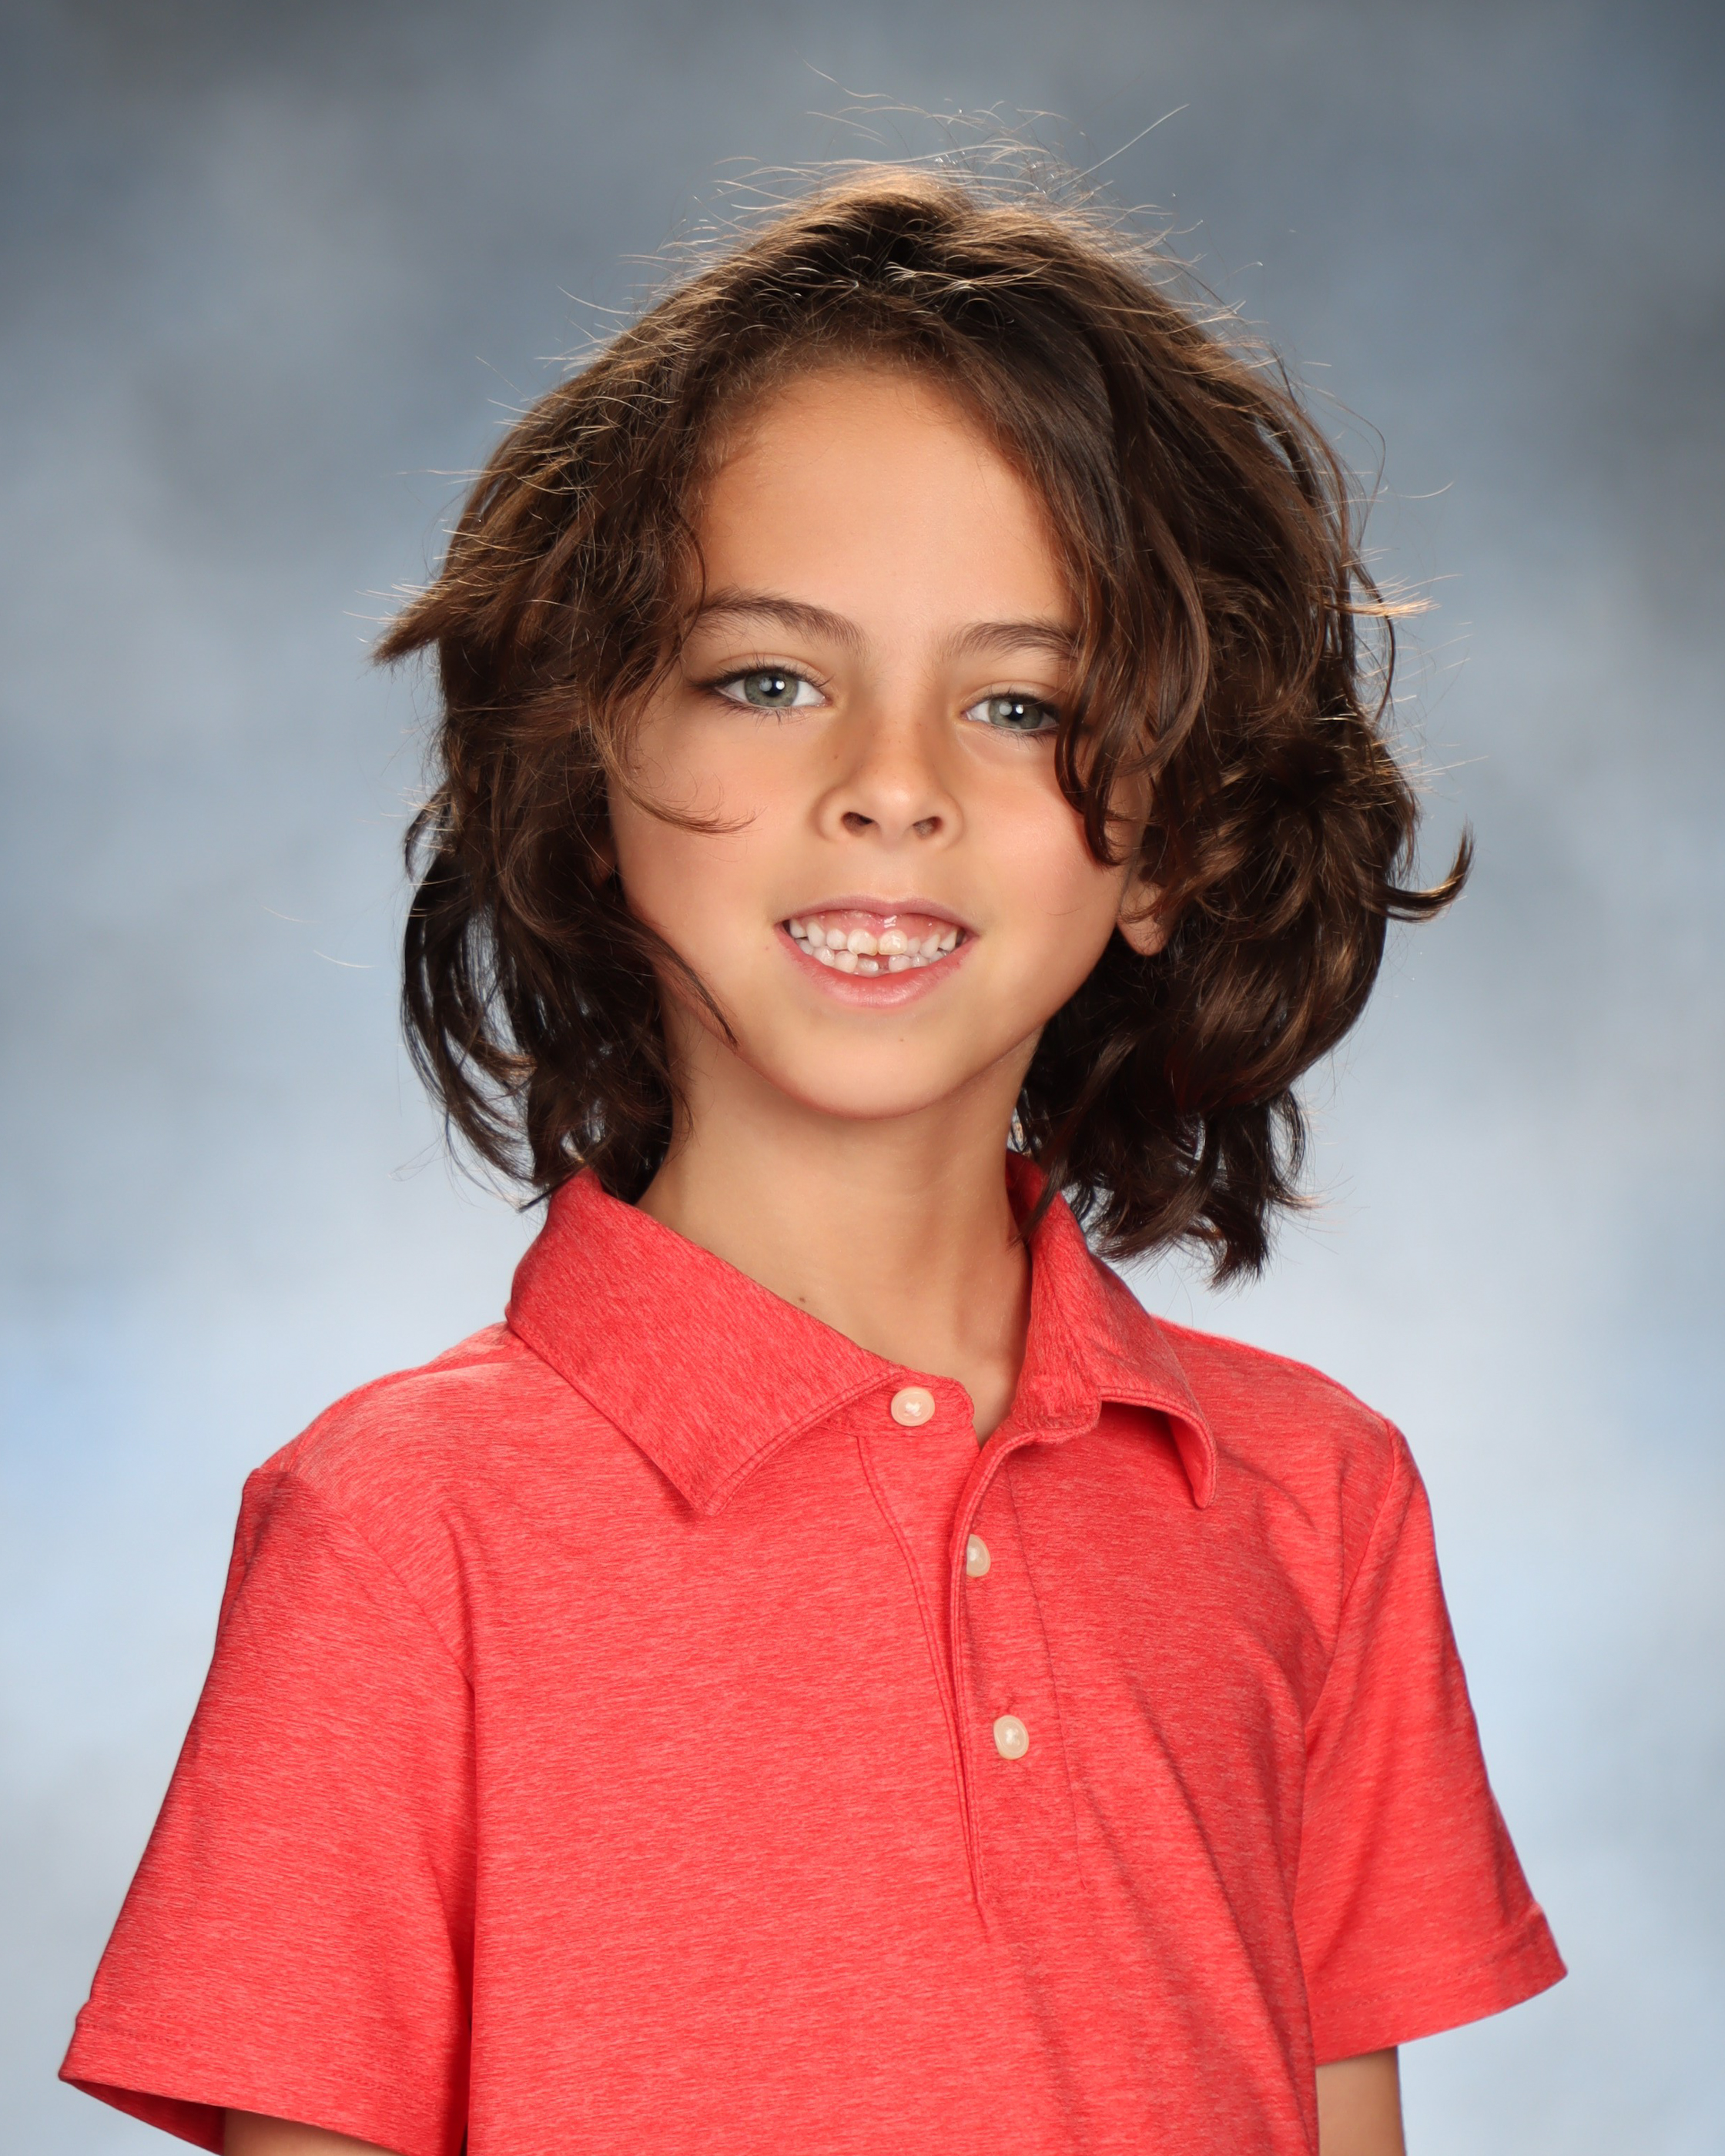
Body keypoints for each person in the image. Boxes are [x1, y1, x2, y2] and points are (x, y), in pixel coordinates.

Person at [60, 167, 1563, 2156]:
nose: (889, 786)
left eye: (1021, 704)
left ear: (1175, 845)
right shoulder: (397, 1537)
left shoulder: (1315, 1504)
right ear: (589, 769)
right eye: (770, 679)